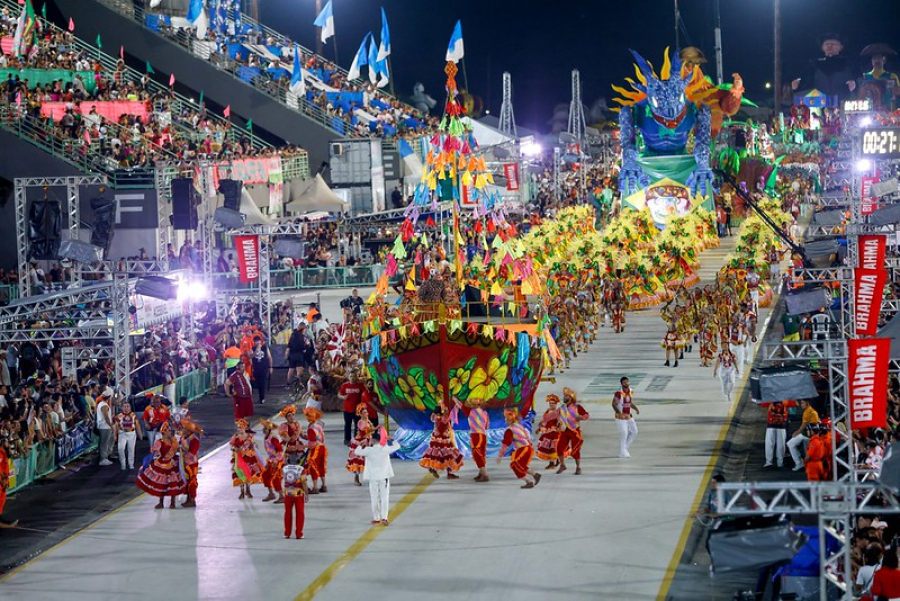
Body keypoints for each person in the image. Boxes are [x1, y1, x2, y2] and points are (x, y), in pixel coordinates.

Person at [353, 427, 400, 525]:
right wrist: (391, 440)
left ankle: (376, 518)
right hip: (384, 477)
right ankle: (384, 518)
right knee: (384, 497)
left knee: (374, 498)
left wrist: (362, 444)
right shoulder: (385, 449)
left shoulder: (368, 450)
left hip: (373, 477)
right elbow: (397, 446)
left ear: (373, 440)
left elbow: (356, 452)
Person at [791, 33, 857, 102]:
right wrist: (798, 82)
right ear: (822, 47)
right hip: (820, 101)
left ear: (840, 47)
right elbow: (805, 78)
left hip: (843, 99)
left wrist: (853, 82)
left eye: (833, 44)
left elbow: (856, 76)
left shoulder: (848, 62)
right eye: (826, 44)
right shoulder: (815, 63)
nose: (829, 46)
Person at [135, 422, 187, 509]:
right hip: (162, 464)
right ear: (163, 432)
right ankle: (161, 502)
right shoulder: (159, 442)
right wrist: (156, 455)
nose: (170, 432)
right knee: (162, 484)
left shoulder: (174, 440)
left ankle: (172, 502)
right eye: (168, 430)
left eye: (170, 430)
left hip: (172, 463)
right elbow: (154, 453)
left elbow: (178, 448)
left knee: (172, 484)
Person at [497, 408, 542, 489]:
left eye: (506, 419)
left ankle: (529, 481)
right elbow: (528, 437)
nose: (505, 420)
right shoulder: (519, 426)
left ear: (510, 420)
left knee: (515, 465)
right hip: (526, 448)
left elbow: (505, 443)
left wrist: (500, 455)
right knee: (521, 465)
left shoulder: (510, 430)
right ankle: (535, 475)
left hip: (523, 449)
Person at [419, 402, 464, 479]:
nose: (446, 410)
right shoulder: (444, 418)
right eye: (444, 410)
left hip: (436, 440)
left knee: (438, 456)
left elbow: (434, 417)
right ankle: (449, 473)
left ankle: (433, 468)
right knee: (449, 457)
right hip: (444, 441)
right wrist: (455, 407)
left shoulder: (435, 417)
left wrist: (440, 405)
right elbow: (450, 416)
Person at [455, 397, 490, 482]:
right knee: (481, 454)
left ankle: (484, 474)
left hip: (476, 435)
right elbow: (487, 426)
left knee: (477, 454)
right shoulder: (485, 413)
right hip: (483, 435)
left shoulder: (470, 411)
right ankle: (481, 473)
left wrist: (454, 399)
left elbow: (460, 405)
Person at [230, 418, 263, 499]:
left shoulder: (249, 436)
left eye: (241, 426)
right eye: (238, 427)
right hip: (239, 458)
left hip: (248, 458)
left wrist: (254, 446)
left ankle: (248, 490)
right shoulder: (235, 437)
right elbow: (231, 446)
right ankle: (242, 491)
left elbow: (254, 445)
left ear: (244, 427)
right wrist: (235, 449)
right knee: (240, 474)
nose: (239, 428)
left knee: (248, 474)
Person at [282, 453, 309, 539]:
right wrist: (307, 494)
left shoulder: (284, 469)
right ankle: (299, 534)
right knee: (300, 514)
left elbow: (282, 481)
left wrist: (284, 491)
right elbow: (304, 482)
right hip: (298, 494)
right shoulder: (301, 469)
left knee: (287, 513)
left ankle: (287, 533)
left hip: (288, 494)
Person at [788, 399, 819, 471]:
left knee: (791, 444)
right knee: (790, 444)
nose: (801, 404)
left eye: (802, 403)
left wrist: (797, 432)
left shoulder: (812, 412)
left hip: (808, 435)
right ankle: (799, 462)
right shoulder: (807, 411)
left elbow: (807, 425)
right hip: (805, 434)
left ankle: (800, 463)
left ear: (807, 403)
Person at [346, 403, 373, 486]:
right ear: (360, 414)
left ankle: (372, 477)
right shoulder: (361, 422)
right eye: (364, 412)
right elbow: (365, 432)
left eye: (367, 412)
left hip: (366, 442)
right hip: (359, 443)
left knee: (369, 461)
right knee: (358, 461)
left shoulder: (367, 421)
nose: (366, 414)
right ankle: (356, 479)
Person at [178, 417, 202, 508]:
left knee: (192, 481)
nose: (182, 430)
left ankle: (192, 499)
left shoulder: (194, 439)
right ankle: (188, 498)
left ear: (188, 430)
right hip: (185, 463)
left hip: (191, 464)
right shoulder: (186, 438)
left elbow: (192, 452)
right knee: (187, 481)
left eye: (184, 428)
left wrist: (184, 447)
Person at [612, 378, 639, 459]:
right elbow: (614, 404)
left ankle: (624, 449)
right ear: (621, 384)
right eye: (624, 382)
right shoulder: (618, 393)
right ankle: (623, 452)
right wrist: (619, 413)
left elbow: (629, 402)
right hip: (621, 417)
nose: (626, 383)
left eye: (627, 382)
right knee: (624, 433)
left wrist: (636, 408)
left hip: (629, 416)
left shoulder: (631, 391)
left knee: (634, 431)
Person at [304, 407, 328, 494]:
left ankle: (315, 487)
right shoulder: (318, 425)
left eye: (307, 415)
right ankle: (324, 485)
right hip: (322, 448)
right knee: (321, 466)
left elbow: (312, 443)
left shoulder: (311, 428)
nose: (306, 417)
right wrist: (304, 437)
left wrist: (302, 446)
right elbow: (314, 438)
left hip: (316, 449)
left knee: (313, 466)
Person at [113, 401, 143, 471]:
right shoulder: (119, 416)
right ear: (122, 408)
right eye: (124, 406)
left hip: (131, 433)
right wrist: (115, 435)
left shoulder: (134, 416)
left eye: (128, 406)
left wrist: (140, 434)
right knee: (120, 449)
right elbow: (116, 426)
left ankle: (131, 464)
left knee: (131, 449)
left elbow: (137, 425)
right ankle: (123, 464)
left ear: (130, 408)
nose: (126, 408)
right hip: (122, 433)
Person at [260, 419, 284, 504]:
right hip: (271, 460)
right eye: (264, 428)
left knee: (275, 477)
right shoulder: (266, 437)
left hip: (277, 460)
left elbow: (280, 450)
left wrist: (277, 460)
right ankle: (271, 493)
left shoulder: (273, 438)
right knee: (265, 475)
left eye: (266, 428)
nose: (264, 429)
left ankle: (281, 496)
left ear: (269, 429)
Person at [535, 394, 561, 469]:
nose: (551, 405)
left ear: (556, 404)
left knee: (552, 447)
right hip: (547, 430)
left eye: (553, 403)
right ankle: (554, 461)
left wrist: (559, 426)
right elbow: (544, 421)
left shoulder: (557, 412)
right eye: (550, 403)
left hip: (554, 431)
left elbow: (560, 421)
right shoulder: (547, 411)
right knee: (548, 447)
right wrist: (539, 427)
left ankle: (552, 462)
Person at [338, 374, 364, 446]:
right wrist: (343, 397)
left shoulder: (360, 386)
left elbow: (364, 395)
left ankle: (356, 439)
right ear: (348, 377)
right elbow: (339, 394)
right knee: (347, 425)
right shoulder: (345, 385)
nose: (352, 378)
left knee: (357, 425)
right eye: (351, 376)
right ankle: (347, 439)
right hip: (347, 409)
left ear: (356, 377)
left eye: (354, 376)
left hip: (357, 409)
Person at [225, 362, 254, 426]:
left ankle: (247, 428)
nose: (244, 368)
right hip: (240, 398)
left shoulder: (245, 374)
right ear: (238, 368)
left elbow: (248, 383)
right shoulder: (234, 375)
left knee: (249, 414)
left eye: (244, 366)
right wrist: (228, 393)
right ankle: (241, 430)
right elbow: (227, 383)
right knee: (240, 415)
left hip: (248, 397)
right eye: (242, 367)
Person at [764, 401, 789, 468]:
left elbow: (796, 403)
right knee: (773, 444)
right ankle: (773, 462)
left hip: (778, 426)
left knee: (776, 445)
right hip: (775, 425)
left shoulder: (785, 400)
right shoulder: (786, 400)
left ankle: (772, 462)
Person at [0, 437, 17, 529]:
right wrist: (2, 481)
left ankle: (1, 517)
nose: (9, 444)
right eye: (7, 443)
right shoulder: (0, 452)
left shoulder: (4, 452)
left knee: (2, 500)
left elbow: (11, 454)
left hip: (4, 480)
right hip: (1, 480)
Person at [250, 338, 273, 405]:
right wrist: (256, 351)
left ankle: (262, 398)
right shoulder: (253, 348)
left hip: (264, 367)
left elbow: (269, 357)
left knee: (262, 383)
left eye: (258, 341)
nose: (257, 343)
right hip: (256, 368)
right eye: (256, 341)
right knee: (257, 383)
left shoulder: (265, 348)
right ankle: (260, 396)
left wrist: (271, 367)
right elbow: (250, 356)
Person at [96, 389, 115, 466]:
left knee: (104, 442)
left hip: (102, 426)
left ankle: (104, 457)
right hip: (105, 427)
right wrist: (111, 426)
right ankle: (103, 459)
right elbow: (106, 417)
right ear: (109, 397)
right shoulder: (104, 405)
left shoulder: (101, 404)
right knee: (104, 443)